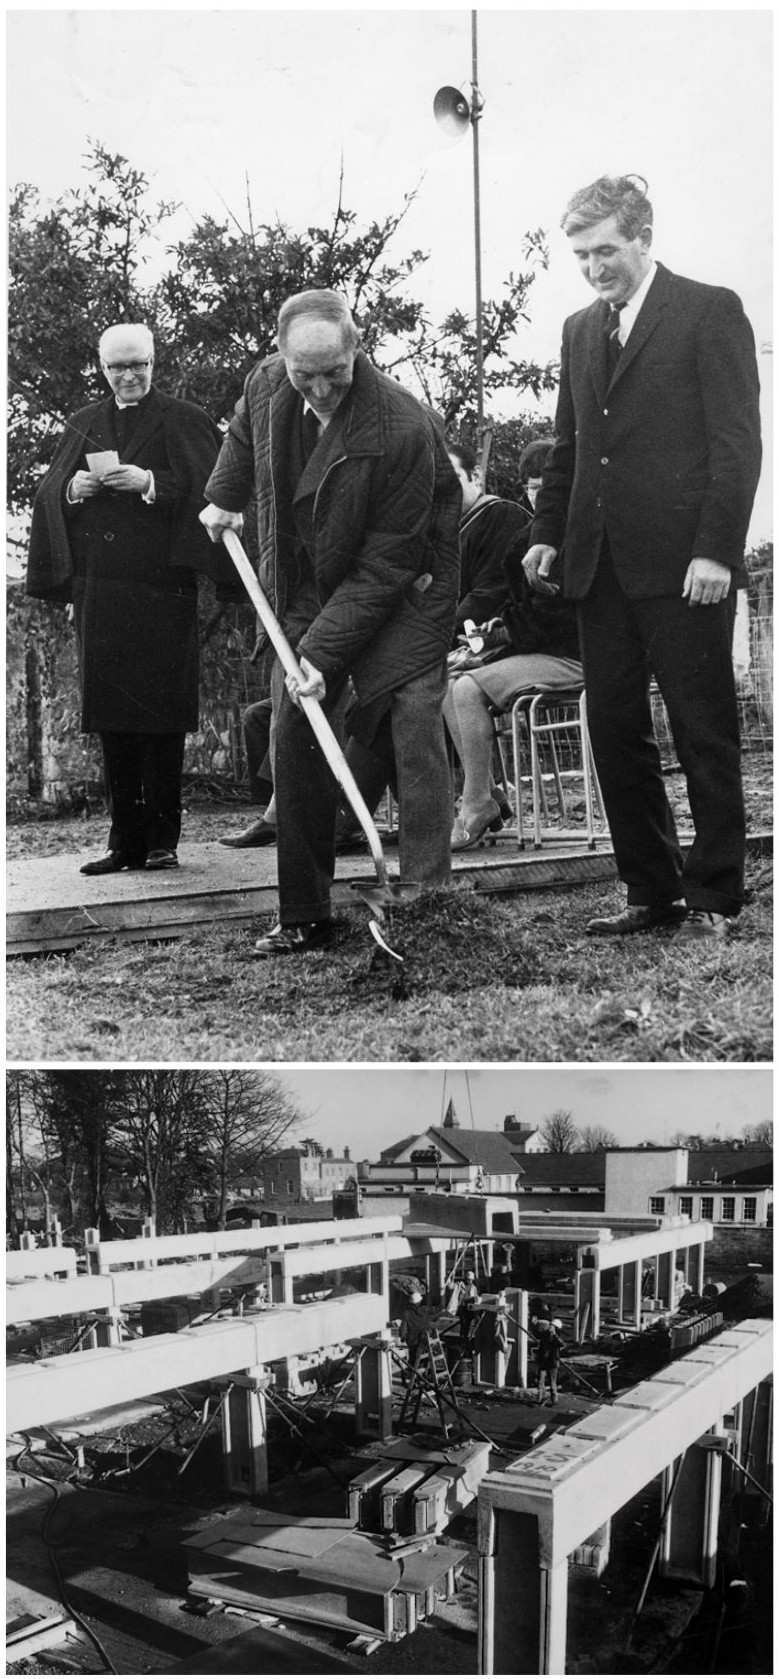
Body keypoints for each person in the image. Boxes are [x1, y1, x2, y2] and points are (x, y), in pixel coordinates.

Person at [523, 174, 762, 940]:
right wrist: (544, 532)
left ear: (642, 237)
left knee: (701, 730)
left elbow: (735, 444)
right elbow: (569, 446)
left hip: (685, 571)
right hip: (601, 571)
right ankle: (648, 890)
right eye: (581, 255)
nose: (594, 269)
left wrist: (716, 551)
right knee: (613, 728)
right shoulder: (576, 330)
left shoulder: (708, 310)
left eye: (605, 250)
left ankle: (714, 895)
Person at [201, 289, 461, 955]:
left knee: (408, 714)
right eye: (302, 374)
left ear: (356, 348)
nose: (318, 389)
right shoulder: (266, 383)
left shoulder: (401, 427)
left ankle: (427, 905)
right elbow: (242, 431)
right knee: (294, 725)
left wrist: (319, 653)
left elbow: (387, 565)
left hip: (407, 584)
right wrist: (222, 497)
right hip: (311, 581)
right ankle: (304, 913)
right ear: (280, 356)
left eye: (334, 373)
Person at [26, 323, 232, 873]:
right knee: (113, 717)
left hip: (163, 589)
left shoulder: (184, 418)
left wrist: (148, 482)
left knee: (161, 717)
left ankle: (163, 840)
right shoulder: (84, 422)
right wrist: (75, 489)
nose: (129, 375)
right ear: (103, 369)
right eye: (118, 367)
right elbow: (49, 491)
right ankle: (124, 844)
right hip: (103, 589)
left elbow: (213, 490)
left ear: (153, 361)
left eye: (138, 363)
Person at [333, 436, 539, 849]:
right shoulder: (438, 530)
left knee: (396, 689)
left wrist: (424, 634)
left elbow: (488, 596)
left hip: (496, 641)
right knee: (375, 687)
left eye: (449, 478)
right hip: (448, 642)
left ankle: (356, 817)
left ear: (475, 475)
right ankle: (402, 815)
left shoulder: (502, 517)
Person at [445, 437, 583, 849]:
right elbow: (521, 614)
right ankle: (483, 795)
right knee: (447, 679)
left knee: (469, 689)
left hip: (578, 654)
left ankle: (475, 805)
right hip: (540, 651)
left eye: (547, 486)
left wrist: (499, 640)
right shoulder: (524, 541)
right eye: (531, 487)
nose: (539, 495)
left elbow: (554, 620)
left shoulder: (580, 537)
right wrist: (489, 639)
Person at [534, 1316, 565, 1405]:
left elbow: (562, 1344)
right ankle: (541, 1398)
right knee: (540, 1381)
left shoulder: (557, 1337)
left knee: (552, 1382)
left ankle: (554, 1399)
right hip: (544, 1361)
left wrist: (554, 1335)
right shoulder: (544, 1335)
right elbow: (540, 1345)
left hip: (552, 1362)